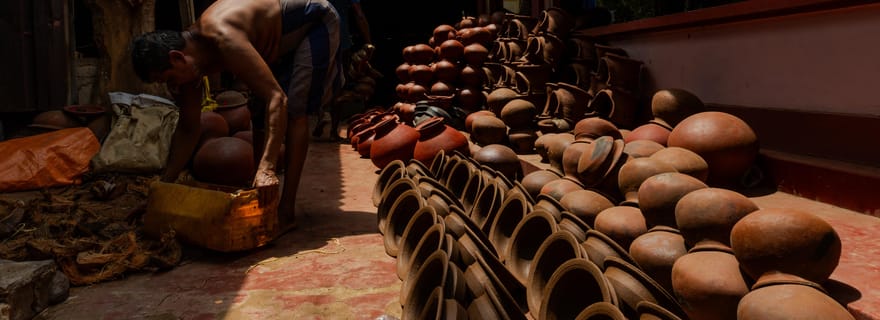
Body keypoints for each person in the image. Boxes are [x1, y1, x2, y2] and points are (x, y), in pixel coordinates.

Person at [131, 0, 343, 231]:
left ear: (177, 58)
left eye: (170, 80)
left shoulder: (223, 36)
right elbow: (188, 128)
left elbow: (277, 99)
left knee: (294, 110)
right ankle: (263, 200)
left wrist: (267, 168)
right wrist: (162, 189)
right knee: (259, 111)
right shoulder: (189, 62)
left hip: (311, 19)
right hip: (273, 38)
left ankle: (286, 210)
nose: (173, 89)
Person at [315, 0, 373, 141]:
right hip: (341, 39)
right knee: (340, 84)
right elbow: (359, 15)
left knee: (317, 81)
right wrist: (369, 42)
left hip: (317, 39)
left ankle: (321, 116)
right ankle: (333, 132)